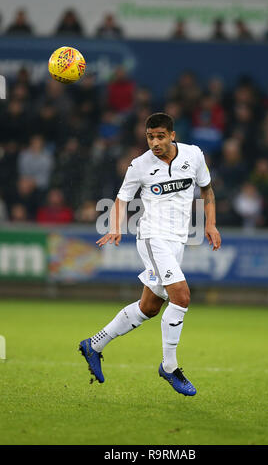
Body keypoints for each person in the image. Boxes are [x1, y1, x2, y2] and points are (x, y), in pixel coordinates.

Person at [79, 112, 221, 396]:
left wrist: (211, 224)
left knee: (150, 307)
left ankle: (94, 344)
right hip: (152, 237)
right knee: (181, 296)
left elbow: (206, 189)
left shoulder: (193, 156)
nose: (154, 142)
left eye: (159, 136)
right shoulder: (140, 165)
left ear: (172, 135)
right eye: (149, 137)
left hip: (177, 240)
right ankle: (169, 367)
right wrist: (116, 227)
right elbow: (122, 198)